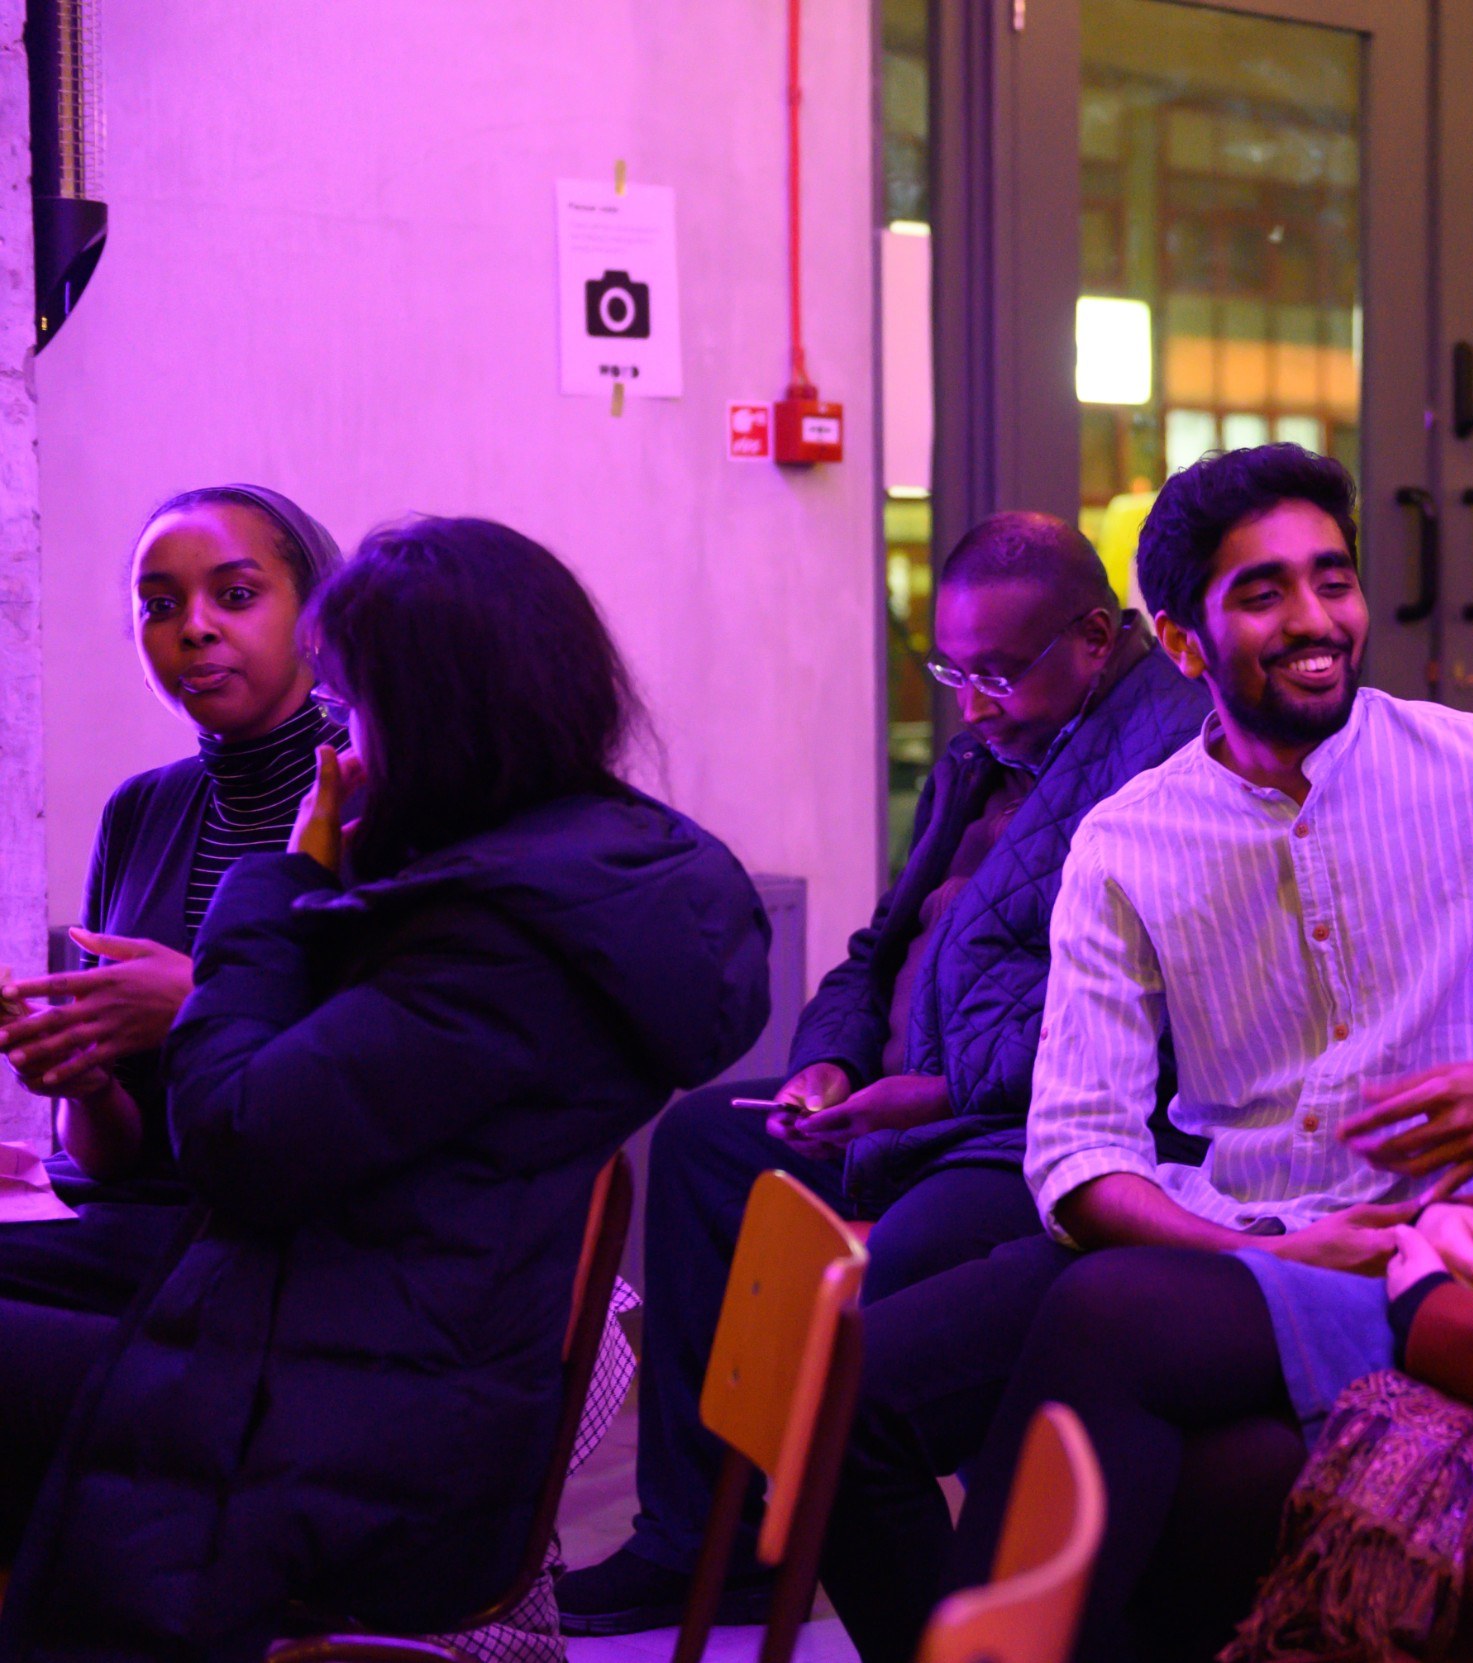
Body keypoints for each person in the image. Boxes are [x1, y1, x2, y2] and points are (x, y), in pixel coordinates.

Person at [813, 444, 1473, 1663]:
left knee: (1105, 1320)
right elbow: (1078, 1154)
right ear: (1183, 645)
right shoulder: (1130, 841)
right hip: (1227, 1239)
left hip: (1436, 1255)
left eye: (1331, 579)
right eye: (1263, 593)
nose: (1315, 621)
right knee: (844, 1405)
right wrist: (1259, 1247)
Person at [0, 517, 771, 1663]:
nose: (344, 748)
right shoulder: (558, 862)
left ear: (440, 721)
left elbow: (231, 1138)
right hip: (344, 1339)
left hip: (373, 1437)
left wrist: (280, 886)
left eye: (355, 710)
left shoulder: (502, 935)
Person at [556, 511, 1211, 1635]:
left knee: (885, 1305)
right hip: (899, 1102)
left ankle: (935, 1589)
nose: (971, 703)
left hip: (1007, 1130)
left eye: (1000, 673)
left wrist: (941, 1090)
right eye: (954, 671)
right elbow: (876, 948)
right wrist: (828, 1060)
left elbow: (1127, 1014)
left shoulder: (1158, 763)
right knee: (711, 1141)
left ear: (1097, 639)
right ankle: (694, 1533)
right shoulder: (982, 757)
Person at [0, 485, 343, 1344]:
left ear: (314, 617)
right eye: (159, 605)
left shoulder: (372, 799)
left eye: (235, 595)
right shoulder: (143, 811)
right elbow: (111, 1153)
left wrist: (197, 1002)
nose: (192, 628)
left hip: (290, 1245)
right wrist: (81, 1074)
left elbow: (377, 1085)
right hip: (132, 1217)